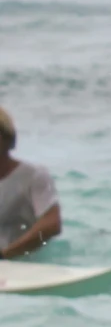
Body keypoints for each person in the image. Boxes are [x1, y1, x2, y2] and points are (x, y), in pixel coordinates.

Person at [0, 105, 62, 259]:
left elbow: (52, 225)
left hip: (24, 260)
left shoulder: (33, 177)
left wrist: (5, 255)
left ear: (9, 141)